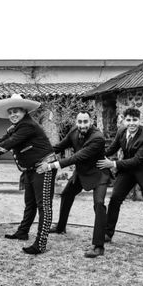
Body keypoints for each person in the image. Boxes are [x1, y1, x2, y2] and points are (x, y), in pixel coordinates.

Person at [0, 94, 57, 255]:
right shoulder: (16, 127)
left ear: (24, 112)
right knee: (30, 203)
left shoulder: (27, 125)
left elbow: (7, 145)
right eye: (11, 112)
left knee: (44, 206)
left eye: (17, 111)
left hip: (44, 167)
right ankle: (23, 232)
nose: (13, 115)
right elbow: (1, 140)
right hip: (30, 169)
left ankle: (40, 243)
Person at [97, 107, 143, 257]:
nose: (131, 123)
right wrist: (96, 153)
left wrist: (113, 164)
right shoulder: (121, 131)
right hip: (127, 172)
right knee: (115, 199)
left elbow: (137, 160)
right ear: (123, 120)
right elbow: (111, 149)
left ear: (140, 120)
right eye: (128, 120)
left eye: (135, 120)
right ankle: (108, 234)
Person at [40, 110, 110, 258]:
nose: (82, 125)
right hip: (82, 173)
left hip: (98, 173)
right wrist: (40, 155)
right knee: (66, 194)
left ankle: (98, 246)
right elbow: (59, 147)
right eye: (80, 122)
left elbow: (77, 157)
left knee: (99, 204)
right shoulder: (73, 131)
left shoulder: (98, 138)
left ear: (91, 122)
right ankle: (60, 227)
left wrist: (52, 165)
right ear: (76, 122)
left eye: (85, 122)